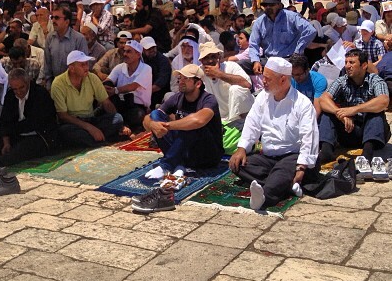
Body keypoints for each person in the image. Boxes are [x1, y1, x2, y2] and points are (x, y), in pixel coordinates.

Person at [229, 57, 319, 210]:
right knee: (238, 165)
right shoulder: (262, 98)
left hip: (292, 157)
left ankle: (265, 198)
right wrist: (242, 148)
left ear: (283, 80)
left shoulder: (302, 104)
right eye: (263, 77)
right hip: (268, 157)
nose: (263, 81)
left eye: (267, 79)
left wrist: (302, 167)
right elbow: (252, 123)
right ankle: (286, 184)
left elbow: (309, 137)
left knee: (283, 170)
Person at [143, 64, 224, 180]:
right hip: (186, 151)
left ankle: (167, 165)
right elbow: (147, 119)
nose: (181, 81)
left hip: (207, 154)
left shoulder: (209, 99)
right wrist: (152, 125)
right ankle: (179, 163)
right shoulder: (178, 97)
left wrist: (167, 126)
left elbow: (198, 120)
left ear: (198, 83)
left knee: (190, 123)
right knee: (155, 115)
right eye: (180, 78)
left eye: (186, 78)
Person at [318, 50, 390, 170]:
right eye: (346, 62)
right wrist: (340, 114)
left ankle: (366, 157)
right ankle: (326, 152)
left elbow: (383, 101)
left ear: (364, 65)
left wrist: (354, 110)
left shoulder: (375, 80)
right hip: (348, 129)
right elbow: (323, 99)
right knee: (327, 113)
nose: (347, 66)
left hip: (371, 132)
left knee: (376, 114)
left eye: (352, 62)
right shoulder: (342, 80)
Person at [51, 50, 124, 147]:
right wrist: (90, 128)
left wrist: (121, 126)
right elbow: (63, 116)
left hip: (91, 119)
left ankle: (93, 140)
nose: (86, 67)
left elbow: (106, 102)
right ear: (72, 68)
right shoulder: (58, 83)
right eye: (82, 65)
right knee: (65, 131)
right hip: (73, 123)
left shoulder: (92, 77)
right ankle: (99, 140)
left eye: (86, 64)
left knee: (117, 118)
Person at [248, 0, 317, 75]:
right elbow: (253, 44)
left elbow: (310, 31)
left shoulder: (291, 17)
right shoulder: (259, 22)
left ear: (279, 5)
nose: (268, 7)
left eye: (272, 5)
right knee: (241, 64)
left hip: (288, 60)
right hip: (268, 60)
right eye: (266, 5)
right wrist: (256, 61)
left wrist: (298, 51)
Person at [103, 40, 152, 130]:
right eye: (124, 51)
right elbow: (109, 80)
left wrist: (115, 90)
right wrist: (106, 87)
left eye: (129, 51)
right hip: (120, 103)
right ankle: (122, 125)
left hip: (137, 106)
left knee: (138, 115)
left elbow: (133, 86)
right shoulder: (120, 67)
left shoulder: (146, 69)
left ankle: (123, 126)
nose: (125, 54)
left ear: (138, 55)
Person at [43, 6, 88, 88]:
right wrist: (49, 86)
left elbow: (83, 66)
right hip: (55, 85)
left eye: (56, 18)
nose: (53, 21)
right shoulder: (50, 38)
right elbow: (47, 65)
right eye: (52, 17)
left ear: (67, 22)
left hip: (74, 85)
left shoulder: (79, 39)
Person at [141, 36, 172, 107]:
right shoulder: (140, 60)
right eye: (149, 49)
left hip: (159, 94)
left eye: (153, 47)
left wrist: (142, 93)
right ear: (143, 50)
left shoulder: (163, 61)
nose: (152, 50)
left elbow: (159, 85)